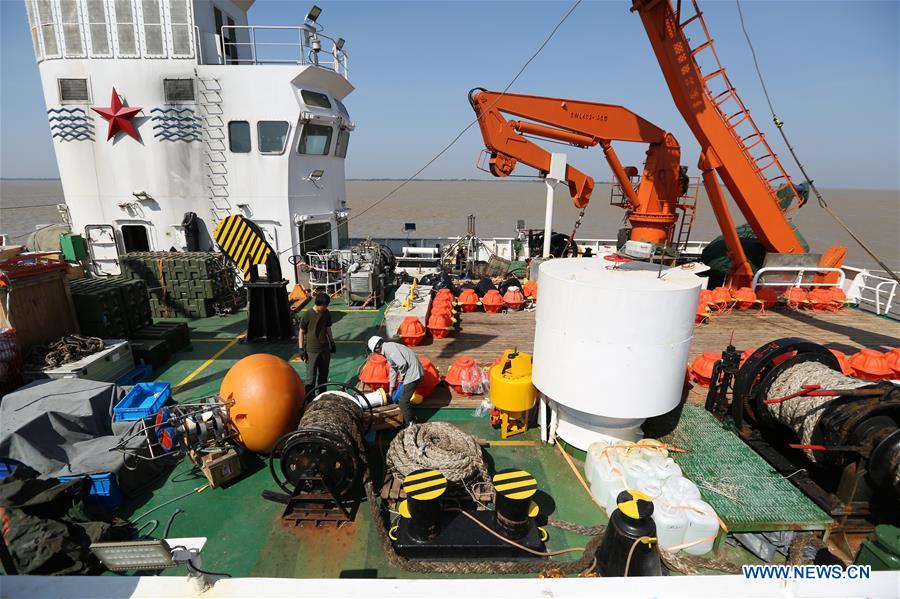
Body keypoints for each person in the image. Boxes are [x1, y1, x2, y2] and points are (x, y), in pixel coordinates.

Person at [367, 335, 422, 425]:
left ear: (376, 349)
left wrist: (402, 375)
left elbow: (402, 364)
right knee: (399, 396)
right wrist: (391, 388)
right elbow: (393, 369)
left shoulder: (389, 349)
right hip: (410, 371)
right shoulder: (388, 349)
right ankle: (406, 418)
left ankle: (411, 424)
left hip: (413, 374)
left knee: (403, 402)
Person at [298, 293, 336, 394]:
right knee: (311, 378)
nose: (325, 308)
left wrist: (332, 342)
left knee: (323, 376)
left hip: (324, 349)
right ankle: (309, 400)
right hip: (312, 351)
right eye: (324, 306)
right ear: (319, 304)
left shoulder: (326, 313)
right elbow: (301, 331)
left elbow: (328, 328)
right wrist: (301, 349)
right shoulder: (308, 314)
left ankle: (322, 396)